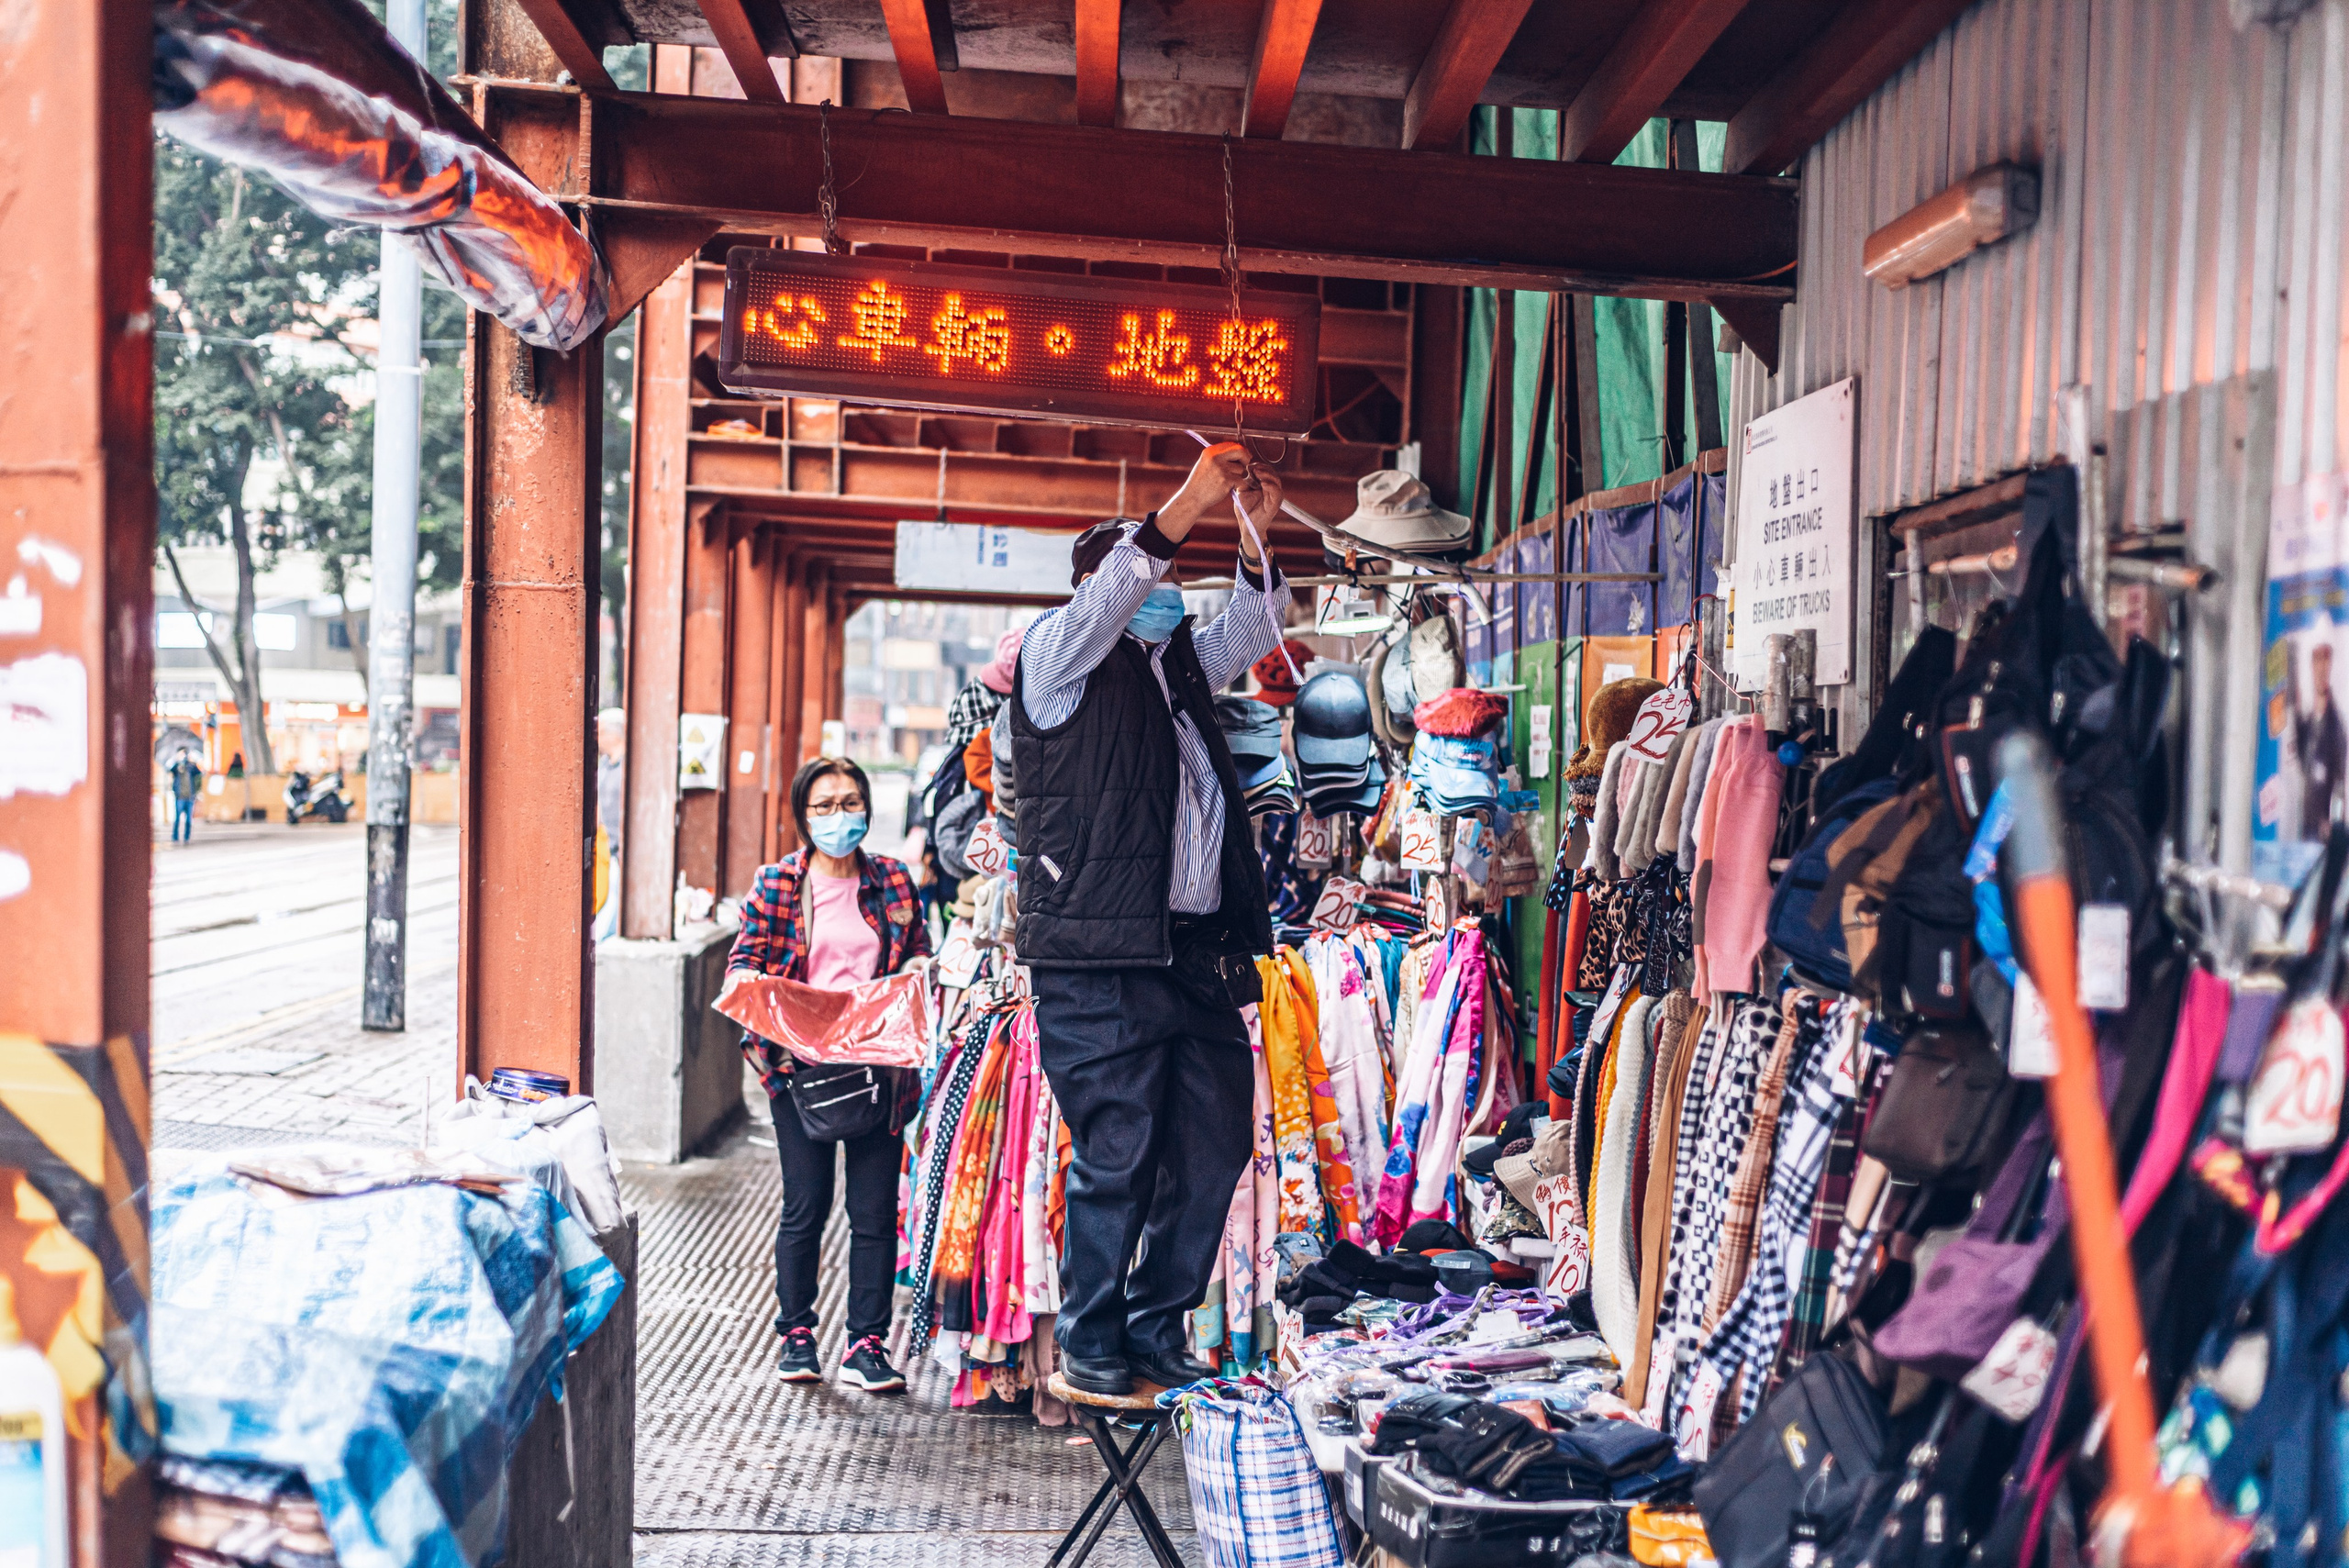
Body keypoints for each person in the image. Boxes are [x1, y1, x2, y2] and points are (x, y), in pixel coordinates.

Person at [1008, 441, 1289, 1396]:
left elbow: (1253, 621)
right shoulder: (1055, 662)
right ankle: (1090, 1335)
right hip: (1096, 957)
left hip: (1193, 955)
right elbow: (1118, 587)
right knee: (1118, 1147)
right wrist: (1181, 506)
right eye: (1143, 580)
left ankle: (1155, 1319)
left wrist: (1258, 529)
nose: (1161, 595)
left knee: (1212, 1145)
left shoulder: (1178, 668)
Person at [728, 756, 930, 1393]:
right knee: (804, 1206)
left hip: (879, 1069)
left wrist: (923, 969)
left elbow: (919, 948)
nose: (839, 816)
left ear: (868, 809)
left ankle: (866, 1344)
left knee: (873, 1213)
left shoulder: (893, 879)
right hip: (799, 1071)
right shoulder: (778, 885)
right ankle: (797, 1334)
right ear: (802, 814)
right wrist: (780, 1015)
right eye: (824, 805)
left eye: (849, 802)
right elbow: (744, 965)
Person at [2300, 639, 2347, 840]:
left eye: (2325, 659)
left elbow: (2339, 780)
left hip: (2321, 829)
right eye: (2317, 659)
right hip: (2303, 823)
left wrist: (2333, 821)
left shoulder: (2335, 726)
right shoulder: (2306, 721)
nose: (2321, 667)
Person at [167, 753, 202, 842]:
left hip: (190, 796)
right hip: (180, 796)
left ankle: (187, 836)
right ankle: (175, 836)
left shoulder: (191, 767)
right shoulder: (177, 766)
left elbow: (199, 774)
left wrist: (192, 763)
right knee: (177, 818)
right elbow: (170, 770)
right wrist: (177, 763)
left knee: (189, 820)